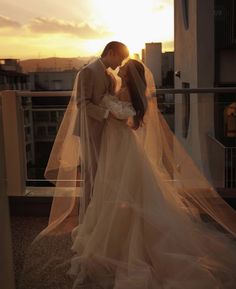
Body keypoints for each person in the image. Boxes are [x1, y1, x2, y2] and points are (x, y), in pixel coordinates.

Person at [20, 59, 236, 289]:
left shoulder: (124, 90)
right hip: (115, 140)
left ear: (130, 73)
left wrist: (110, 109)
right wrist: (110, 108)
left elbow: (124, 112)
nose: (119, 68)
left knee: (120, 182)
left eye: (124, 66)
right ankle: (110, 227)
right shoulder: (114, 82)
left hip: (119, 141)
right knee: (113, 182)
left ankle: (119, 239)